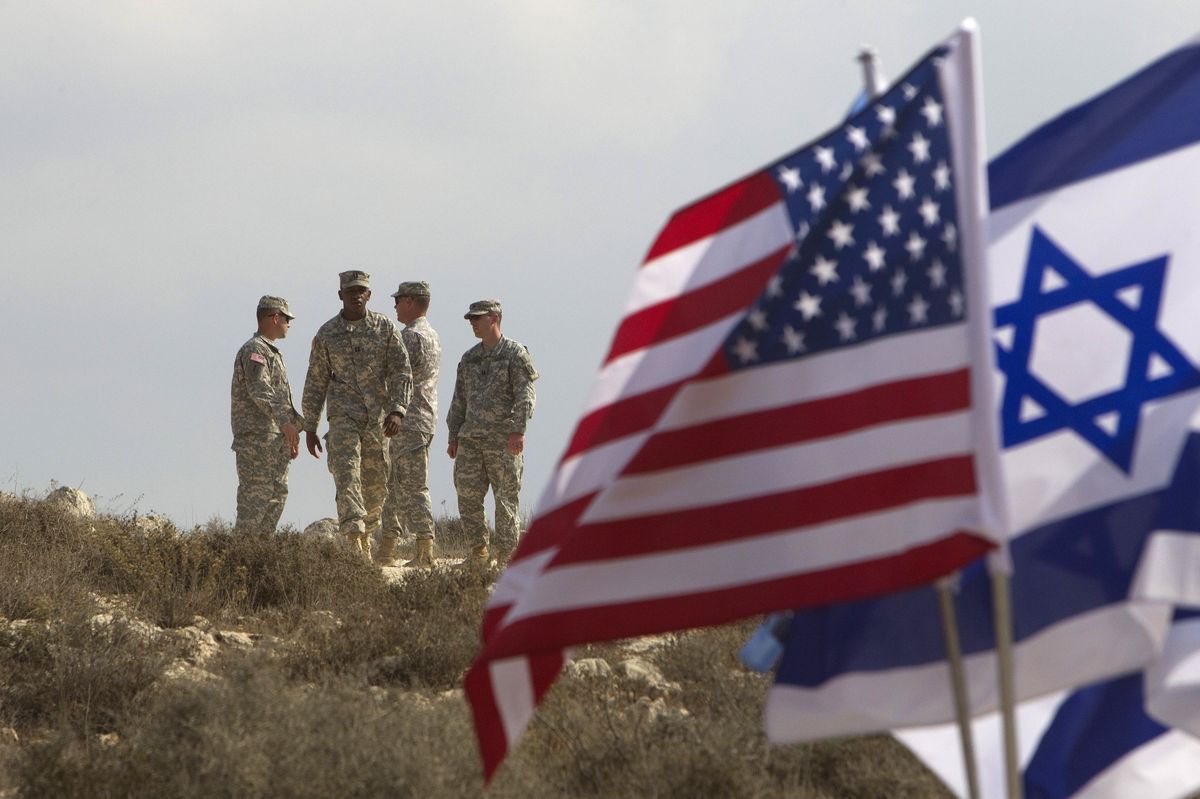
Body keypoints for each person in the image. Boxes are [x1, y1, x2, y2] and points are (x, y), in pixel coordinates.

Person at [301, 271, 412, 559]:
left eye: (361, 290)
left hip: (377, 420)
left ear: (369, 295)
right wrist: (310, 426)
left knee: (376, 488)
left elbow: (401, 371)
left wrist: (398, 409)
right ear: (340, 295)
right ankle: (352, 539)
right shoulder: (327, 334)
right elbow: (316, 381)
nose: (356, 295)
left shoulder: (384, 328)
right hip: (342, 418)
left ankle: (365, 532)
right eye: (350, 291)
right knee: (347, 474)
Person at [446, 299, 538, 567]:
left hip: (502, 441)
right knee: (467, 496)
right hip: (470, 440)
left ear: (494, 318)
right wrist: (454, 435)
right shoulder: (470, 358)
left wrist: (518, 430)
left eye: (478, 318)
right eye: (471, 319)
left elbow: (525, 396)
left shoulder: (515, 354)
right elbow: (459, 400)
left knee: (505, 498)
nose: (473, 323)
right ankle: (478, 554)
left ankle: (507, 556)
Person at [378, 281, 442, 567]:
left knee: (411, 485)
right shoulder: (433, 335)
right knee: (394, 484)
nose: (395, 305)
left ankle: (424, 548)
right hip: (420, 419)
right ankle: (387, 548)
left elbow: (391, 373)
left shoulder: (410, 337)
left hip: (407, 420)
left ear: (412, 302)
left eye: (399, 300)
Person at [230, 295, 303, 535]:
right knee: (255, 501)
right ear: (274, 317)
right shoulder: (255, 351)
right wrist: (285, 423)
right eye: (286, 318)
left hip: (274, 438)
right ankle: (241, 560)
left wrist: (289, 432)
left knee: (276, 496)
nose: (289, 324)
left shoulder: (271, 352)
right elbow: (259, 389)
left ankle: (261, 558)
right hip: (257, 439)